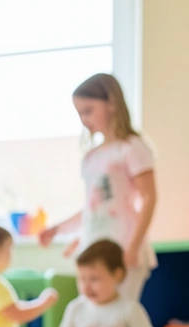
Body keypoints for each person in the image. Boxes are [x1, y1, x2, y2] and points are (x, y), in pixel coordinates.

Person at [39, 73, 158, 304]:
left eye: (88, 111)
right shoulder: (92, 157)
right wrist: (59, 229)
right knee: (93, 318)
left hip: (122, 246)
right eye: (79, 113)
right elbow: (95, 206)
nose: (84, 119)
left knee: (119, 318)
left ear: (112, 103)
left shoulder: (131, 148)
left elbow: (149, 197)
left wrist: (132, 247)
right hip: (94, 249)